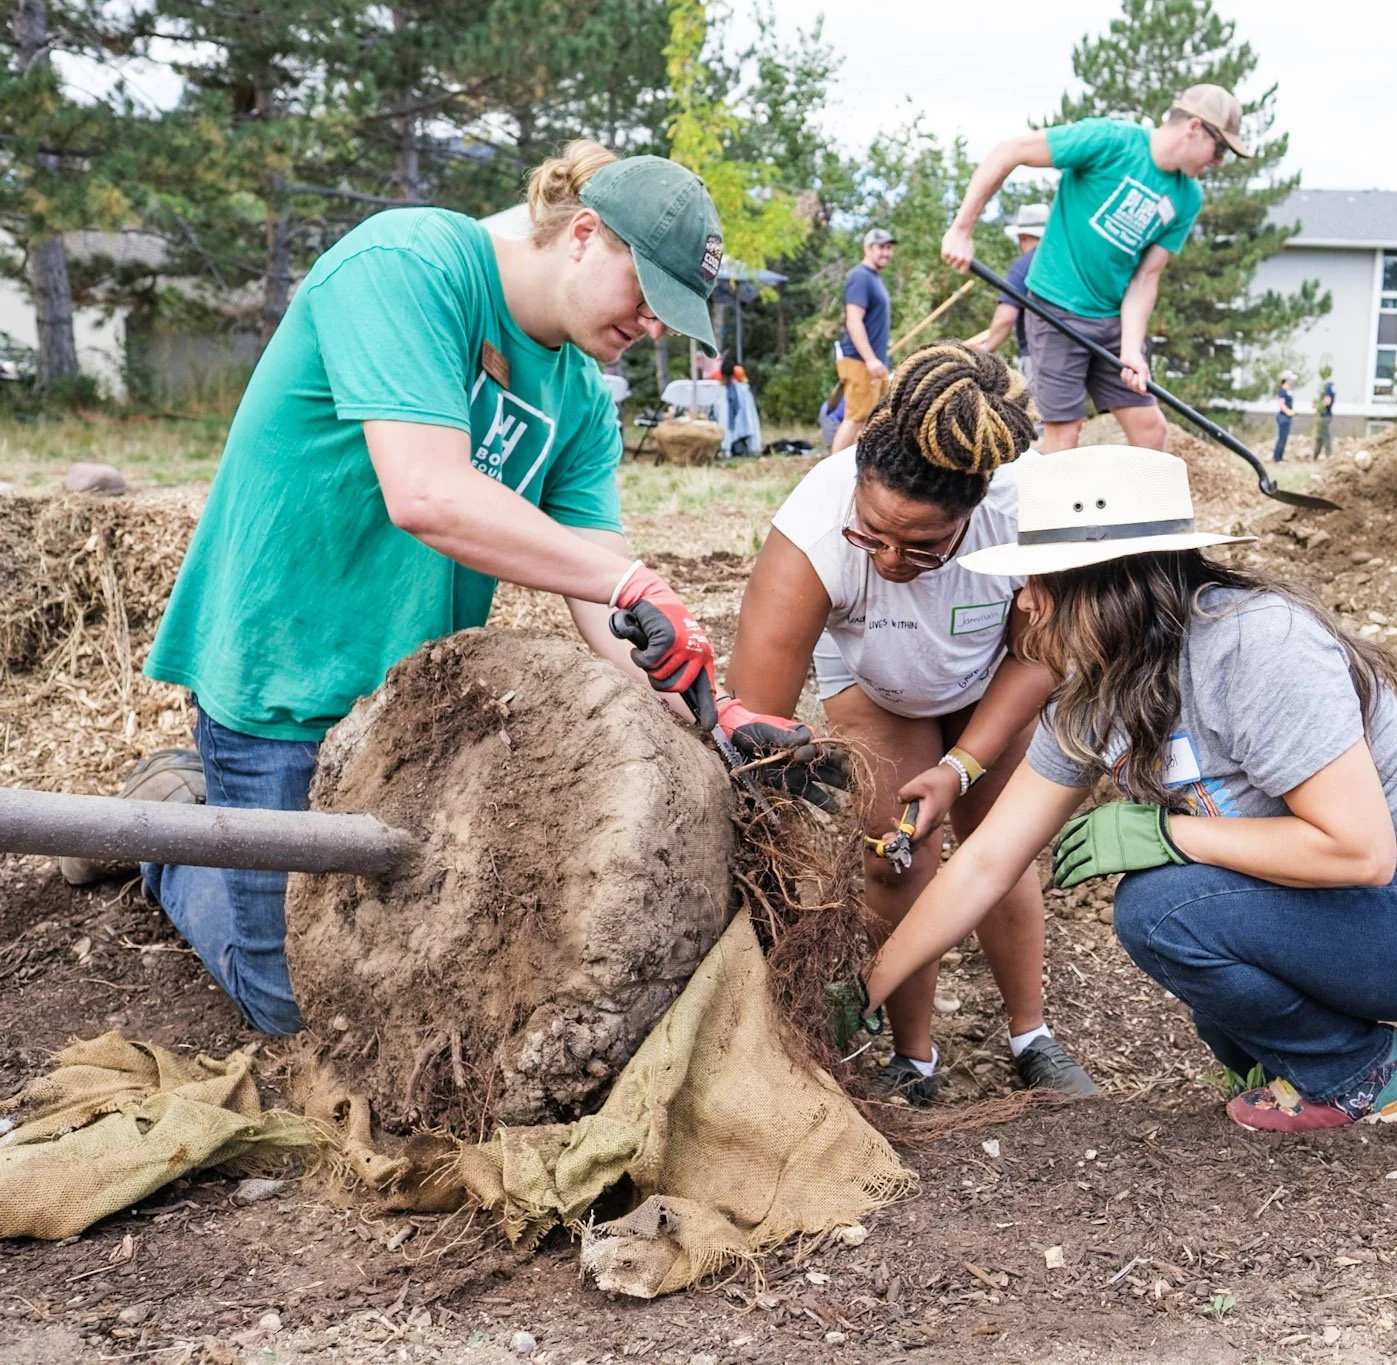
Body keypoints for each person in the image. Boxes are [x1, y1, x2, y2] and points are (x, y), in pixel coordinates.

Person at [106, 141, 822, 1036]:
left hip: (405, 710)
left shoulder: (581, 398)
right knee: (293, 1004)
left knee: (408, 973)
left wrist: (713, 713)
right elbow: (427, 494)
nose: (653, 328)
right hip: (283, 668)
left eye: (672, 316)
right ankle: (163, 823)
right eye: (645, 296)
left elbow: (607, 595)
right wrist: (626, 576)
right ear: (585, 235)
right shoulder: (411, 266)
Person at [843, 447, 1397, 1132]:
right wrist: (872, 983)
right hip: (1356, 905)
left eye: (1037, 580)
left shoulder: (1254, 644)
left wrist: (1166, 833)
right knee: (1187, 920)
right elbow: (988, 859)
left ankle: (1363, 1072)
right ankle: (1302, 1066)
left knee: (1165, 906)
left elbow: (1361, 852)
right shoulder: (1094, 691)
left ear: (1103, 584)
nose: (1024, 601)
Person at [726, 342, 1100, 1105]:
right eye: (874, 536)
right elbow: (754, 717)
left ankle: (1030, 1034)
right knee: (893, 852)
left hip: (992, 672)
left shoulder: (1020, 511)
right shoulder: (813, 528)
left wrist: (964, 762)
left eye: (925, 546)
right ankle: (912, 1056)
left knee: (1001, 844)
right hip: (875, 681)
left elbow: (1042, 654)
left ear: (972, 511)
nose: (892, 559)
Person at [940, 85, 1249, 453]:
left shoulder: (1186, 197)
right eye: (1220, 150)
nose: (1218, 162)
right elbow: (1011, 151)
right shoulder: (1110, 141)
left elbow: (1146, 278)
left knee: (1151, 432)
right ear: (1194, 128)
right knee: (1064, 435)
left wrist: (1132, 350)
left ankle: (1143, 512)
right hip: (1055, 308)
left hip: (1112, 321)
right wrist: (961, 229)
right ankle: (1056, 510)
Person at [832, 227, 896, 454]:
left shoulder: (875, 279)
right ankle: (831, 474)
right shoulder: (860, 277)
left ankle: (857, 474)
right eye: (880, 247)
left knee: (872, 420)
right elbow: (854, 321)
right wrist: (870, 359)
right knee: (855, 418)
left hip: (875, 361)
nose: (886, 253)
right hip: (859, 360)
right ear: (868, 249)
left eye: (889, 248)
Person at [973, 204, 1049, 382]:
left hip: (1039, 355)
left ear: (1022, 237)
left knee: (1039, 409)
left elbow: (1006, 317)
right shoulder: (1065, 263)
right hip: (1076, 352)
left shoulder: (1025, 265)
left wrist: (986, 347)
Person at [1272, 371, 1296, 462]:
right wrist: (1288, 411)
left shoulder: (1288, 390)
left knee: (1284, 438)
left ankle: (1280, 457)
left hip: (1287, 417)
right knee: (1282, 438)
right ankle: (1277, 458)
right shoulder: (1282, 390)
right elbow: (1281, 404)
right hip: (1283, 417)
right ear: (1287, 379)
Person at [1312, 367, 1336, 458]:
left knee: (1326, 436)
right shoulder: (1328, 386)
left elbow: (1327, 401)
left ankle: (1329, 456)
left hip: (1325, 415)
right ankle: (1315, 455)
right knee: (1319, 437)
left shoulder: (1328, 387)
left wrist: (1318, 406)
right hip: (1323, 415)